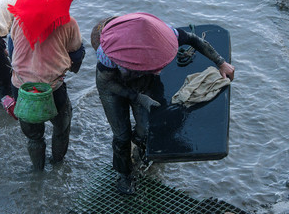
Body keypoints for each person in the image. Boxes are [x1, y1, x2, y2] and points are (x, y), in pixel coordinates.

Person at [90, 12, 235, 194]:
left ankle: (141, 149)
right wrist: (137, 97)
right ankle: (124, 175)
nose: (160, 71)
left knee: (147, 127)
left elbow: (194, 40)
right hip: (113, 87)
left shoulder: (166, 35)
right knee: (121, 135)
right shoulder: (108, 54)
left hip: (142, 80)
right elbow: (107, 83)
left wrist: (220, 62)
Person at [8, 0, 86, 171]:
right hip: (52, 89)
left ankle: (38, 171)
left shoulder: (18, 17)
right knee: (61, 127)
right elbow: (76, 52)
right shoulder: (68, 23)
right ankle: (58, 165)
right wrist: (73, 68)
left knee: (34, 137)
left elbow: (12, 47)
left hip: (21, 87)